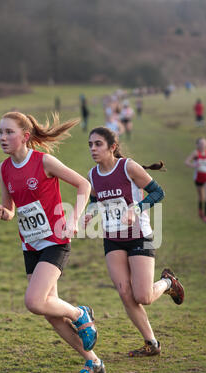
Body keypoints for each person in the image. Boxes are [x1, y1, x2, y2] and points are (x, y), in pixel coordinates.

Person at [0, 111, 105, 373]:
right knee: (48, 312)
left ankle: (81, 314)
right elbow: (11, 207)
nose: (3, 138)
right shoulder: (3, 169)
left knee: (34, 302)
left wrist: (74, 218)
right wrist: (5, 214)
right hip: (30, 244)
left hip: (55, 240)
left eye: (9, 132)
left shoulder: (44, 162)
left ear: (25, 136)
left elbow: (83, 184)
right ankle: (94, 362)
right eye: (0, 132)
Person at [83, 127, 184, 358]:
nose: (93, 149)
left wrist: (136, 209)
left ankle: (168, 283)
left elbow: (158, 193)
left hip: (140, 236)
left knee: (143, 297)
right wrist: (90, 212)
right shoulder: (93, 175)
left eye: (98, 144)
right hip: (112, 239)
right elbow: (94, 199)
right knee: (124, 293)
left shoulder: (127, 167)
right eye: (90, 144)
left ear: (112, 147)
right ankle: (152, 343)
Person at [185, 137, 206, 224]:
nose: (203, 145)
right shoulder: (195, 153)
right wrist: (194, 165)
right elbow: (186, 162)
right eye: (201, 143)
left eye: (204, 143)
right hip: (198, 178)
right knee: (201, 197)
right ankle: (200, 210)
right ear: (197, 145)